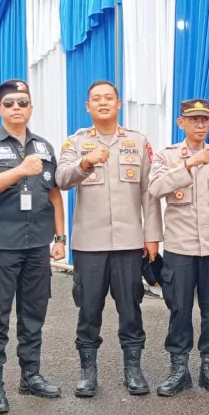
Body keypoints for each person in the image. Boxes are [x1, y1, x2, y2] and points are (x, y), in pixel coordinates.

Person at [55, 80, 163, 398]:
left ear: (118, 104)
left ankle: (134, 370)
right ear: (87, 106)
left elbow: (149, 193)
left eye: (108, 98)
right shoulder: (75, 142)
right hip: (89, 245)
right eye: (96, 99)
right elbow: (61, 179)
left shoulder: (137, 142)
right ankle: (88, 373)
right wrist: (85, 162)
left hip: (130, 243)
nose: (103, 103)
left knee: (131, 309)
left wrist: (152, 236)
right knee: (89, 311)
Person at [0, 79, 66, 414]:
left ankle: (31, 375)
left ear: (31, 108)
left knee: (33, 315)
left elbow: (54, 193)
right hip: (3, 245)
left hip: (37, 244)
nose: (16, 108)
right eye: (9, 103)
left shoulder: (43, 146)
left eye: (22, 103)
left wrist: (60, 238)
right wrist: (20, 170)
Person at [148, 98, 209, 397]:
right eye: (193, 120)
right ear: (181, 123)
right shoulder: (167, 156)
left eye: (205, 120)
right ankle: (179, 369)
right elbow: (155, 189)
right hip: (180, 247)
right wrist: (188, 164)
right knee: (179, 310)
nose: (200, 125)